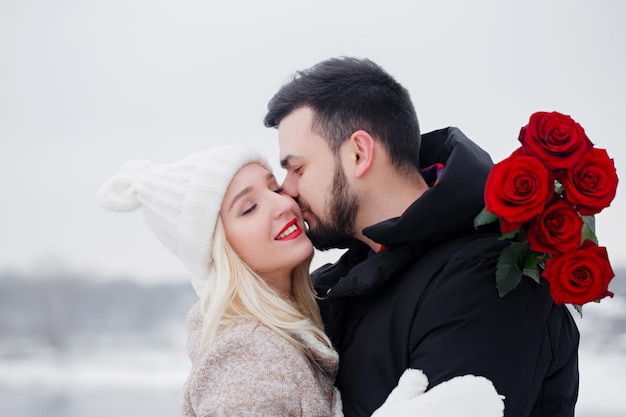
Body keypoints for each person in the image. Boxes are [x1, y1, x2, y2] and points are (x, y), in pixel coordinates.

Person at [263, 57, 580, 417]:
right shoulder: (344, 281)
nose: (286, 190)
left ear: (359, 153)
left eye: (297, 168)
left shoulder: (484, 284)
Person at [97, 145, 505, 417]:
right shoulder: (249, 355)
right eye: (250, 207)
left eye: (275, 187)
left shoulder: (299, 325)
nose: (282, 204)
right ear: (219, 252)